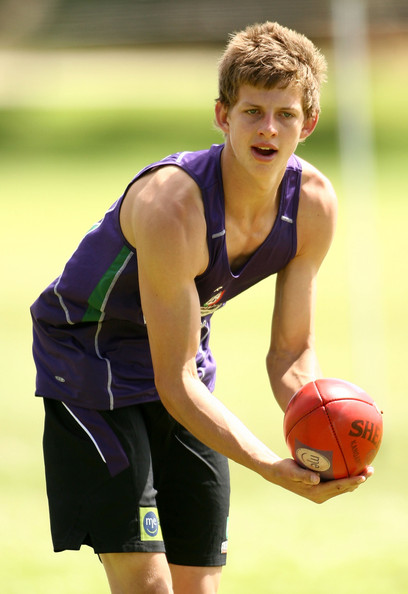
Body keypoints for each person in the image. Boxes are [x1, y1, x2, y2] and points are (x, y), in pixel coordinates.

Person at [31, 21, 373, 594]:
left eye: (285, 114)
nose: (268, 130)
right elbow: (175, 380)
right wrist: (270, 465)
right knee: (149, 587)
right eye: (251, 112)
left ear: (307, 124)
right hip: (88, 364)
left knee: (198, 588)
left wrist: (320, 429)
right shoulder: (173, 207)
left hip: (182, 357)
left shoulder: (311, 204)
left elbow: (291, 352)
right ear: (222, 115)